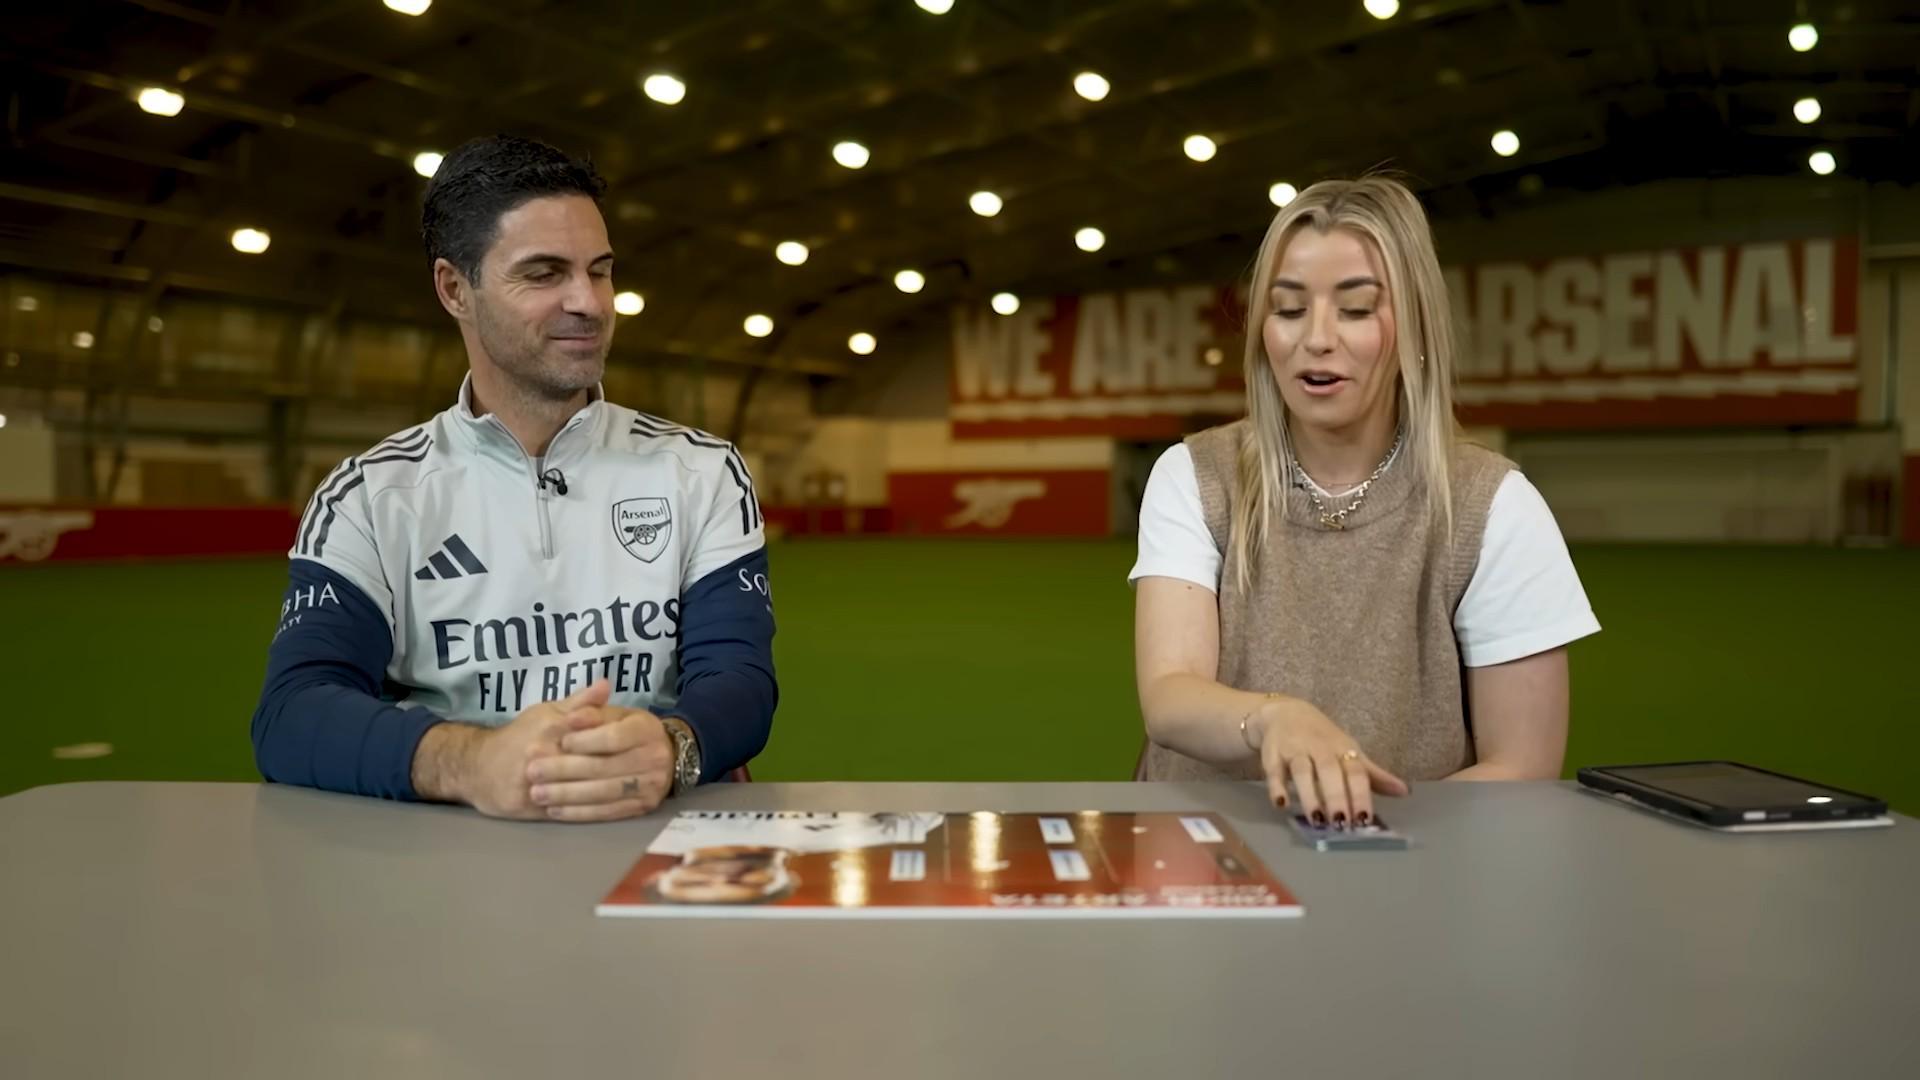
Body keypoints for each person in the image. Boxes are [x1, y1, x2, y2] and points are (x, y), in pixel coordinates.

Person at [251, 135, 776, 822]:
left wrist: (670, 745)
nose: (589, 302)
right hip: (450, 860)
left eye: (600, 271)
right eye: (543, 274)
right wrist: (473, 763)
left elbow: (738, 679)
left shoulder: (700, 471)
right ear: (454, 289)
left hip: (655, 845)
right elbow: (293, 711)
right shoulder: (371, 498)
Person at [1130, 176, 1598, 827]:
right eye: (1288, 309)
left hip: (1410, 863)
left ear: (1415, 327)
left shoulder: (1495, 507)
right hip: (1199, 852)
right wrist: (1273, 719)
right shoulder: (1192, 475)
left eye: (1355, 309)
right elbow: (1169, 696)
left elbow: (1523, 765)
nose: (1317, 338)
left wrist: (1363, 840)